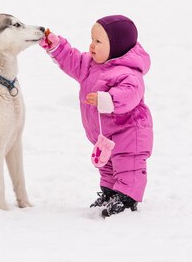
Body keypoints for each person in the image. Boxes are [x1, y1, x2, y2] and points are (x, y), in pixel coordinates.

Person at [40, 15, 153, 217]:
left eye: (98, 41)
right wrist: (57, 47)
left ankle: (127, 198)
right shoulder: (90, 64)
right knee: (108, 167)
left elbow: (131, 93)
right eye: (92, 39)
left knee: (128, 166)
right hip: (105, 134)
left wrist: (108, 99)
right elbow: (72, 60)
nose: (91, 45)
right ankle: (110, 193)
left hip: (129, 133)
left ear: (116, 46)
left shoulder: (128, 73)